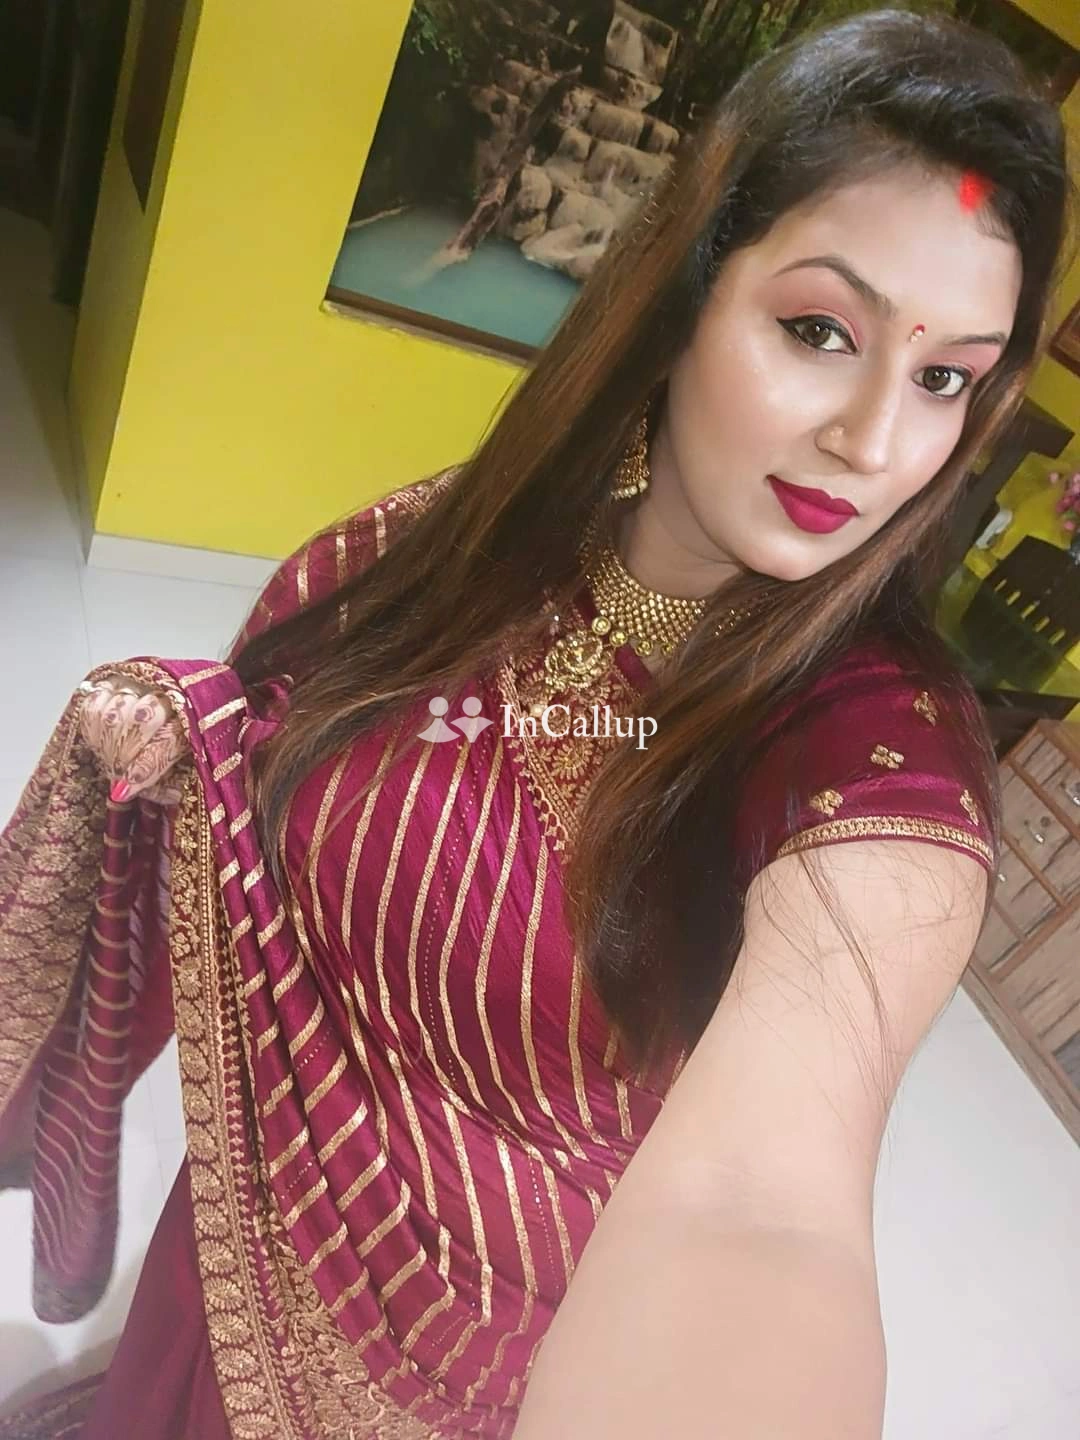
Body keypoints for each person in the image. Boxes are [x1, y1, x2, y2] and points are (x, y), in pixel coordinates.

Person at [0, 9, 1072, 1438]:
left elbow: (764, 1213)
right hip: (235, 1234)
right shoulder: (460, 547)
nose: (874, 441)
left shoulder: (871, 736)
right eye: (821, 330)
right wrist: (185, 744)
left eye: (944, 378)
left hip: (459, 1369)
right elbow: (281, 726)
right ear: (685, 293)